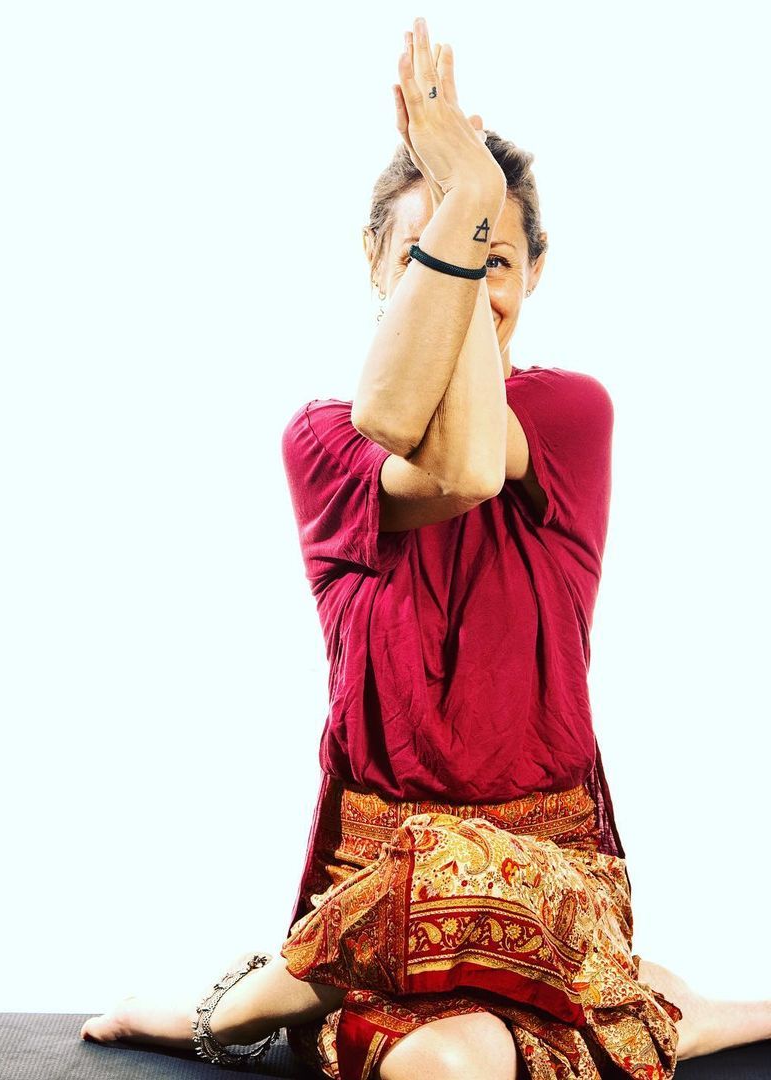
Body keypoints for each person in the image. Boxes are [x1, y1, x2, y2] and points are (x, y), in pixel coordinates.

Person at [80, 17, 771, 1080]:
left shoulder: (572, 414)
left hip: (549, 875)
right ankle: (640, 1005)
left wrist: (462, 209)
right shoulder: (321, 441)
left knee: (482, 939)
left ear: (535, 272)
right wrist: (467, 203)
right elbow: (415, 439)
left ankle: (238, 1005)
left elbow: (473, 463)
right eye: (423, 255)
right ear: (373, 262)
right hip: (374, 888)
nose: (466, 280)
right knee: (446, 1061)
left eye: (496, 257)